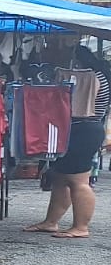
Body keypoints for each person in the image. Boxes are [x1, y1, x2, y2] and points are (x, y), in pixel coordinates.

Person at [27, 44, 111, 239]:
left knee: (79, 180)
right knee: (60, 178)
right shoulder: (98, 76)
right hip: (78, 129)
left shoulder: (93, 77)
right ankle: (50, 222)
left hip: (85, 129)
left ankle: (81, 226)